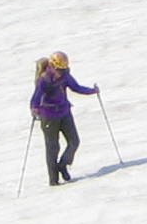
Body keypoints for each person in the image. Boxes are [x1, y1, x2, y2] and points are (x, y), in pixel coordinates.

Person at [31, 51, 99, 185]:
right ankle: (53, 180)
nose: (61, 73)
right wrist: (35, 109)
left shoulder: (65, 75)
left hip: (64, 112)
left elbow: (76, 87)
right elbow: (36, 98)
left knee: (74, 141)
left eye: (63, 70)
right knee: (52, 148)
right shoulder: (44, 80)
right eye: (59, 70)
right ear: (51, 66)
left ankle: (62, 165)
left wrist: (93, 91)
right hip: (49, 116)